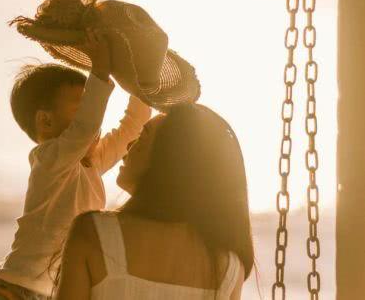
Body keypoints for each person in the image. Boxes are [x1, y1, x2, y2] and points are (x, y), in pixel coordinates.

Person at [0, 28, 152, 300]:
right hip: (15, 288)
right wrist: (100, 71)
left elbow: (132, 130)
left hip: (48, 291)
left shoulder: (89, 163)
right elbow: (85, 128)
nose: (96, 121)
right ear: (46, 121)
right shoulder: (50, 158)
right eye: (81, 108)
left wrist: (139, 88)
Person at [55, 104, 255, 299]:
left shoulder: (94, 233)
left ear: (168, 157)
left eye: (143, 136)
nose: (129, 145)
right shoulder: (229, 269)